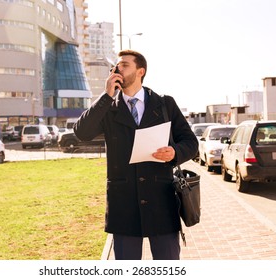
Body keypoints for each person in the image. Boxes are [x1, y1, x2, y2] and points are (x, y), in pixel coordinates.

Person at [74, 50, 198, 260]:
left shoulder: (165, 104)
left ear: (140, 71)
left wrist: (174, 152)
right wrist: (106, 96)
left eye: (123, 65)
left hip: (162, 202)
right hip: (123, 205)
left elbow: (191, 143)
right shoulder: (108, 107)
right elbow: (82, 132)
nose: (117, 69)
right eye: (116, 66)